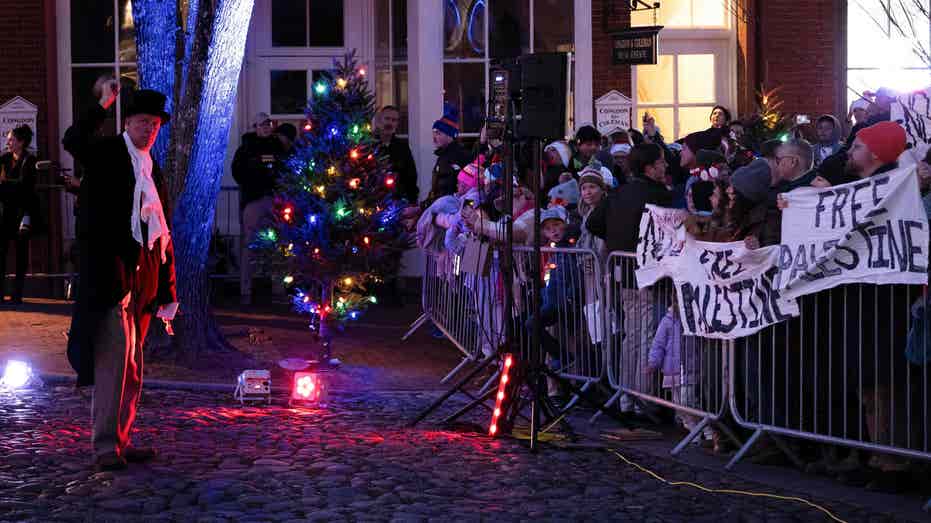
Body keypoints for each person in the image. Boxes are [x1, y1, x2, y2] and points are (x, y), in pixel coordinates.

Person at [62, 78, 178, 471]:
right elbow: (74, 139)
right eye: (143, 122)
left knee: (132, 368)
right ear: (127, 122)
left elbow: (161, 231)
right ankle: (104, 446)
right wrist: (102, 104)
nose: (150, 129)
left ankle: (121, 439)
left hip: (142, 279)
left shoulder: (150, 167)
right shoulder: (110, 153)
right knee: (112, 364)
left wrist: (165, 287)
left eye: (155, 124)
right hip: (113, 280)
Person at [586, 143, 672, 412]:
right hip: (647, 275)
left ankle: (627, 395)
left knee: (632, 334)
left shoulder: (620, 193)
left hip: (623, 273)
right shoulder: (658, 194)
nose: (666, 166)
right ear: (649, 167)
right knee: (645, 333)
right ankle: (642, 399)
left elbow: (593, 223)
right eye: (661, 162)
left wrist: (616, 241)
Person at [232, 112, 285, 305]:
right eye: (262, 124)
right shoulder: (245, 149)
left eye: (268, 124)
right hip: (253, 200)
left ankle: (278, 288)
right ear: (255, 126)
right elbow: (238, 172)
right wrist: (254, 180)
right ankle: (246, 290)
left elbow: (284, 168)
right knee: (249, 245)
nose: (265, 127)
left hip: (275, 200)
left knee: (277, 245)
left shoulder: (277, 147)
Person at [0, 125, 38, 305]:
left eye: (11, 139)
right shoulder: (4, 159)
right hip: (5, 213)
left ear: (21, 142)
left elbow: (25, 186)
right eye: (8, 139)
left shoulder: (29, 160)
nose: (8, 142)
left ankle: (17, 294)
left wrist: (4, 185)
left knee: (21, 255)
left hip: (22, 213)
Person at [425, 103, 472, 205]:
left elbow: (445, 190)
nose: (434, 137)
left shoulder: (458, 156)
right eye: (434, 132)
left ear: (450, 135)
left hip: (450, 208)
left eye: (438, 133)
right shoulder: (442, 156)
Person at [374, 105, 419, 204]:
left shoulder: (402, 147)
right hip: (372, 202)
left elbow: (411, 177)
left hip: (397, 203)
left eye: (394, 120)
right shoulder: (369, 145)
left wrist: (412, 202)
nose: (390, 123)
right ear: (379, 121)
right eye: (387, 119)